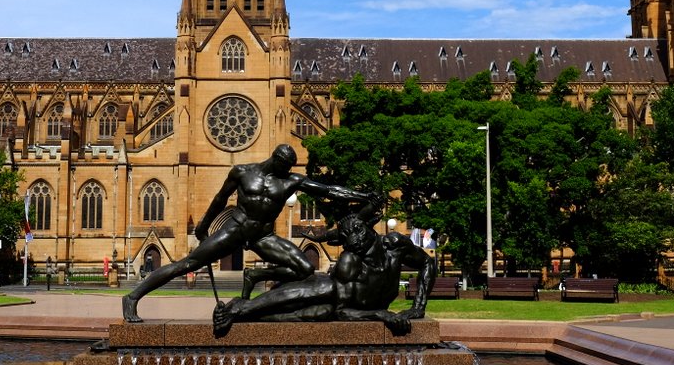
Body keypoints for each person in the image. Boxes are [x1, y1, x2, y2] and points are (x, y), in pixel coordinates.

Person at [121, 143, 374, 323]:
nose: (288, 170)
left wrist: (362, 196)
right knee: (187, 264)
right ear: (276, 159)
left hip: (263, 236)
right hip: (236, 228)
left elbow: (328, 190)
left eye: (290, 167)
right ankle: (132, 297)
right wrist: (203, 225)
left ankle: (256, 277)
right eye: (285, 165)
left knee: (305, 269)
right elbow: (220, 199)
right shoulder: (243, 172)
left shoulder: (291, 181)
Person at [211, 200, 437, 337]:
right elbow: (343, 312)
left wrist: (418, 307)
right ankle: (240, 310)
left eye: (358, 230)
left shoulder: (394, 245)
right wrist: (380, 314)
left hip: (334, 308)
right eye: (348, 237)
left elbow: (428, 262)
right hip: (330, 294)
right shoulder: (351, 263)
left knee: (312, 314)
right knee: (312, 292)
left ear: (369, 227)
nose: (355, 239)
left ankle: (241, 309)